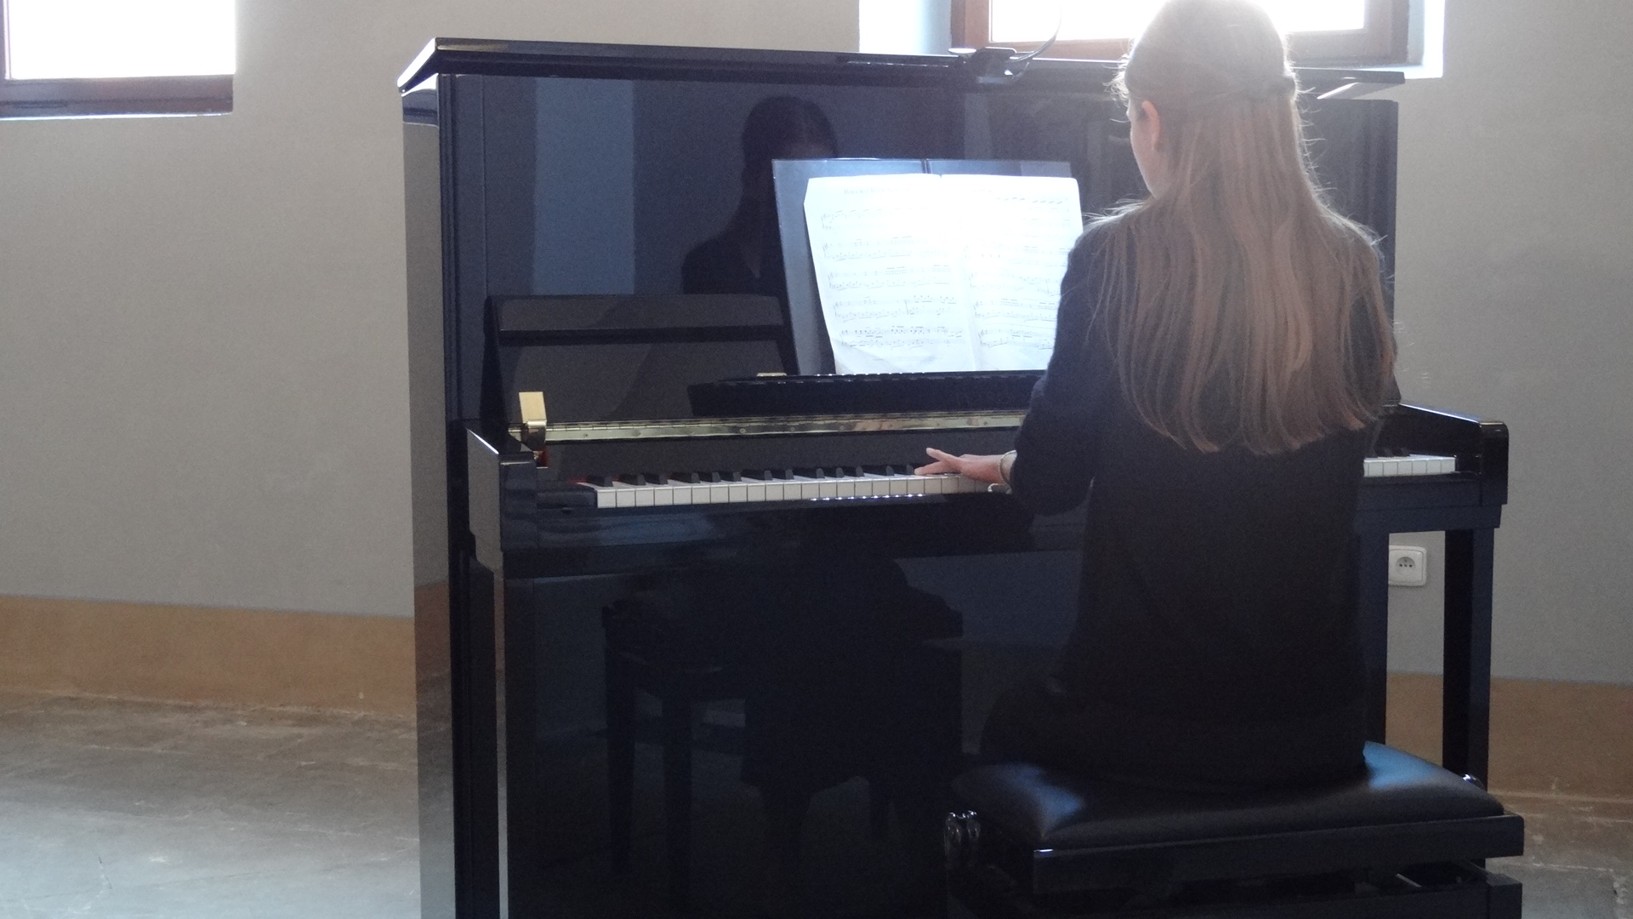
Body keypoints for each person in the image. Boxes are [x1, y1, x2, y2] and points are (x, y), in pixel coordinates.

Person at [916, 0, 1397, 792]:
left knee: (994, 722)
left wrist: (1001, 464)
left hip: (1147, 721)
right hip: (1318, 723)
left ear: (1151, 118)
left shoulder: (1115, 257)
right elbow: (1363, 428)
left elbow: (1051, 480)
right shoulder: (1346, 260)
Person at [681, 95, 839, 300]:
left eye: (819, 179)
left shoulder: (838, 265)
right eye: (793, 179)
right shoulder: (707, 266)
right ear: (754, 179)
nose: (807, 195)